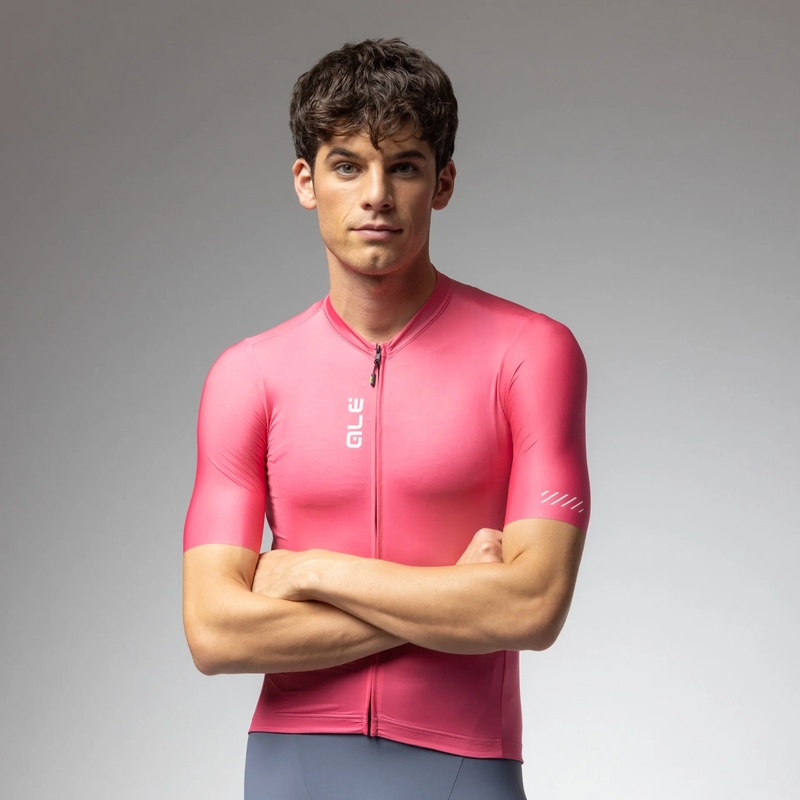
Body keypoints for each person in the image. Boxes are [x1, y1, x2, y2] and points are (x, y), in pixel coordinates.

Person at [182, 37, 590, 800]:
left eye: (403, 166)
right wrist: (459, 603)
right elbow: (213, 632)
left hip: (464, 768)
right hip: (291, 770)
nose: (376, 195)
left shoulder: (531, 353)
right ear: (306, 182)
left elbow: (533, 606)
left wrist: (309, 571)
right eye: (347, 166)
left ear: (443, 182)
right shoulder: (248, 377)